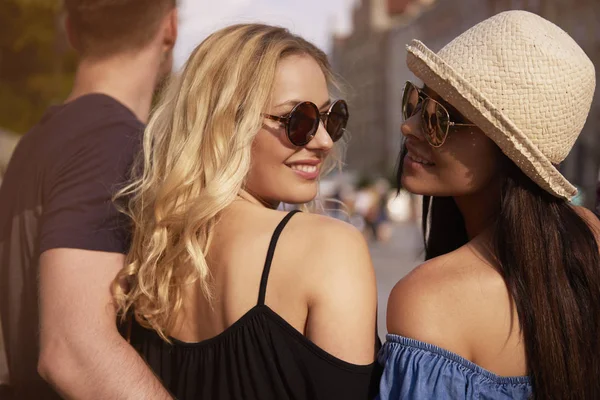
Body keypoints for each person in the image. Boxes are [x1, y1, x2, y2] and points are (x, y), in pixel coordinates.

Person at [112, 23, 381, 400]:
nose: (323, 141)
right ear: (226, 124)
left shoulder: (151, 257)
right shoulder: (329, 248)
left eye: (331, 117)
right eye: (298, 120)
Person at [379, 10, 599, 400]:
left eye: (437, 118)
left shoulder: (429, 300)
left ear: (507, 153)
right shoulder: (588, 240)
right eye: (415, 101)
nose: (409, 126)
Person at [0, 0, 178, 398]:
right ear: (170, 26)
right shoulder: (109, 143)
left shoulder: (35, 143)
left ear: (72, 33)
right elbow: (74, 348)